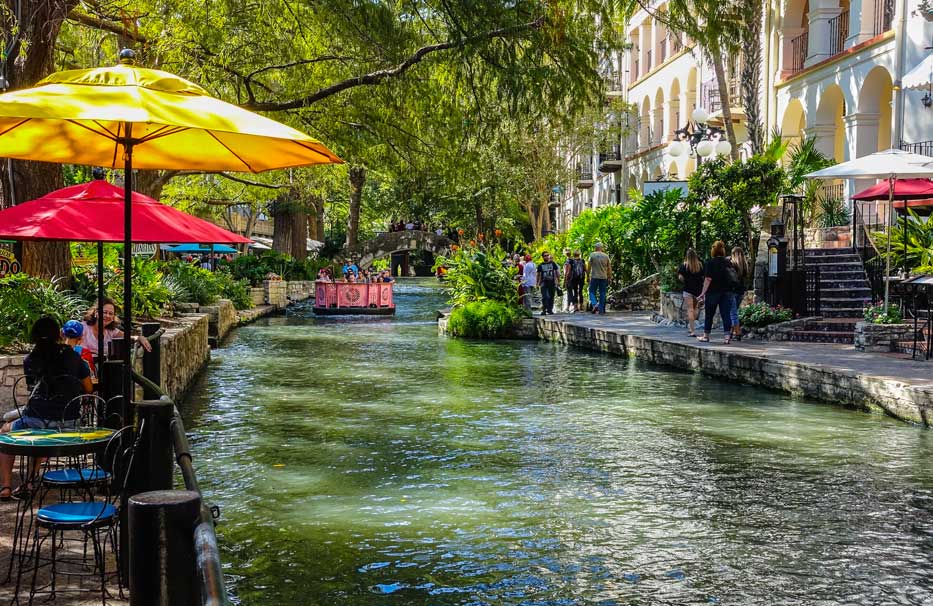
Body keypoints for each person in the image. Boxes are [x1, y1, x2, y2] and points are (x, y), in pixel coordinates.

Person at [0, 317, 93, 500]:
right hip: (69, 422)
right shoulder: (73, 356)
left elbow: (32, 388)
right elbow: (89, 388)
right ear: (58, 334)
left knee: (5, 432)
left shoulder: (30, 360)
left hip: (37, 420)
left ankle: (6, 486)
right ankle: (30, 481)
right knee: (38, 431)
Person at [697, 240, 740, 344]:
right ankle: (726, 338)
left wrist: (702, 293)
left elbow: (708, 279)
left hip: (713, 292)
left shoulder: (709, 263)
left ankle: (706, 336)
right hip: (727, 291)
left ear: (713, 250)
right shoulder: (728, 262)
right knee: (726, 314)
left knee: (709, 314)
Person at [80, 298, 151, 359]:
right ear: (96, 312)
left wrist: (139, 338)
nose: (107, 316)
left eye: (111, 313)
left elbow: (127, 337)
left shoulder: (111, 331)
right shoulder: (83, 328)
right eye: (104, 312)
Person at [677, 248, 705, 337]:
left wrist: (685, 280)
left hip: (688, 290)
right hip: (698, 291)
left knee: (690, 309)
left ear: (687, 256)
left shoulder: (684, 265)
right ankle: (691, 328)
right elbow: (703, 277)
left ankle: (692, 331)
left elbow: (680, 277)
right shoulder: (700, 265)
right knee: (695, 308)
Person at [730, 246, 749, 341]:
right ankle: (731, 332)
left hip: (732, 291)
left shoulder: (732, 264)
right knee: (734, 312)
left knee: (732, 313)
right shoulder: (745, 265)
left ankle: (737, 333)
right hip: (741, 292)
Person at [587, 242, 612, 314]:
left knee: (591, 291)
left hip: (594, 277)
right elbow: (609, 268)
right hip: (603, 277)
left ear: (596, 248)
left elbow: (589, 267)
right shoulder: (606, 256)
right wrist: (610, 277)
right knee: (602, 293)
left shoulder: (592, 255)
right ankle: (601, 309)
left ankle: (594, 304)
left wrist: (587, 276)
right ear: (602, 248)